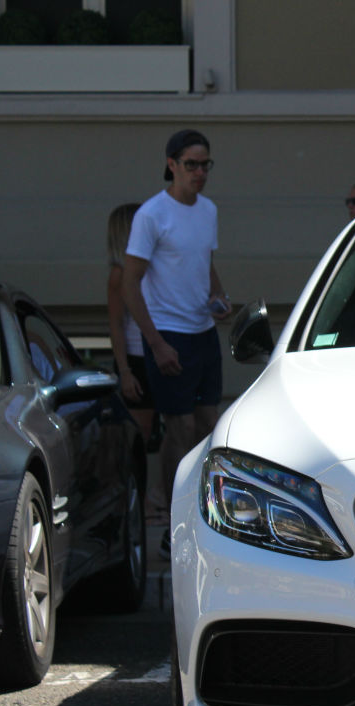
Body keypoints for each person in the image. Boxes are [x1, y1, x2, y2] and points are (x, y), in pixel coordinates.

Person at [122, 128, 231, 558]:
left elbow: (205, 261)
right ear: (172, 164)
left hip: (202, 332)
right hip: (168, 334)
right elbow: (130, 283)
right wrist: (156, 343)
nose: (200, 173)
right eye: (191, 165)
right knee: (179, 429)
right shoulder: (152, 215)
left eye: (206, 165)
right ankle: (173, 520)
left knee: (209, 426)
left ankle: (207, 516)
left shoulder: (208, 210)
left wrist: (218, 298)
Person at [105, 202, 156, 442]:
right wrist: (125, 371)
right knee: (140, 432)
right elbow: (116, 325)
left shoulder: (153, 267)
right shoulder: (119, 274)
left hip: (162, 353)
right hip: (137, 359)